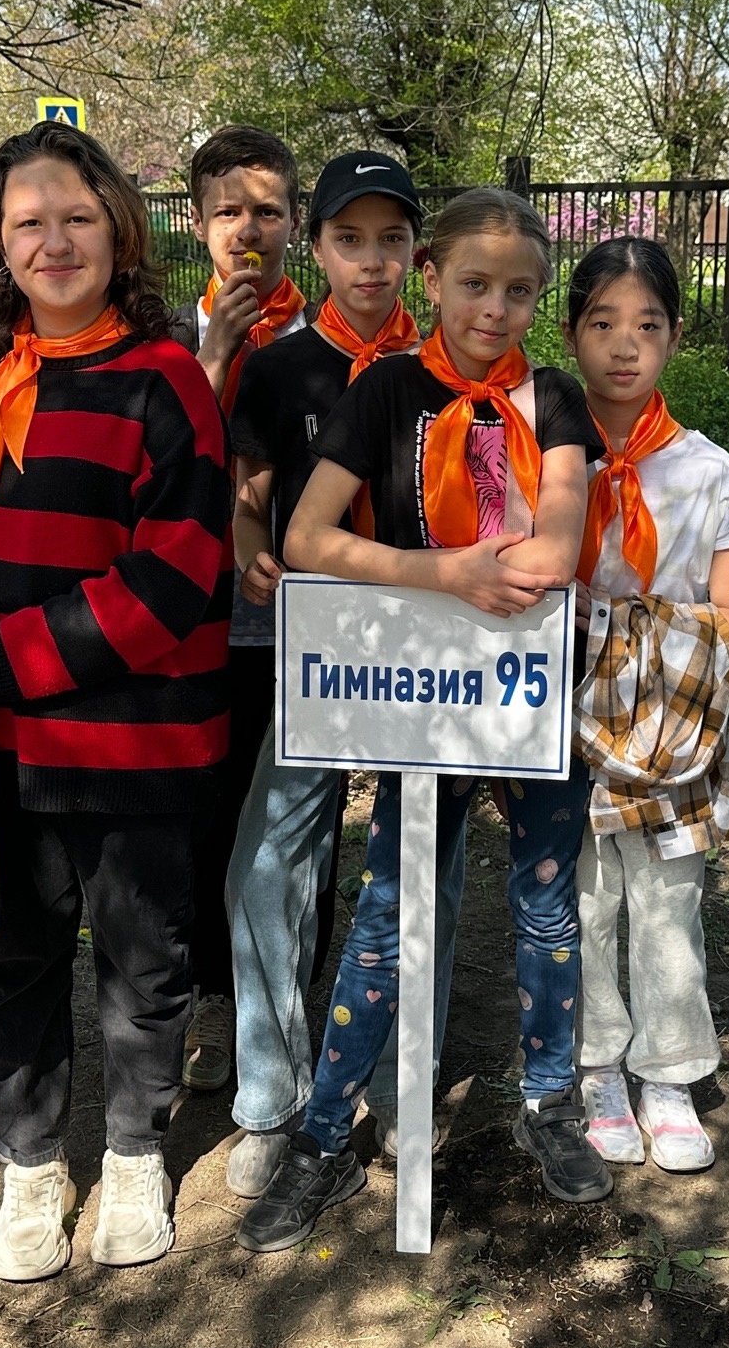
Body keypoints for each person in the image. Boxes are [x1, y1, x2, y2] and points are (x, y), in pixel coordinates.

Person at [0, 121, 232, 1283]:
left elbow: (173, 582)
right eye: (30, 222)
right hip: (1, 750)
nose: (54, 241)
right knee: (14, 961)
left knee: (141, 963)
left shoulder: (165, 381)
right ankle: (31, 1167)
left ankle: (132, 1153)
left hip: (135, 746)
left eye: (77, 218)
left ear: (118, 232)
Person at [235, 187, 606, 1253]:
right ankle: (322, 1137)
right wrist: (442, 574)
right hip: (417, 697)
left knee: (545, 906)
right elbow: (307, 536)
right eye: (475, 284)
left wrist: (499, 570)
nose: (494, 309)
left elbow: (559, 541)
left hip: (527, 690)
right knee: (390, 906)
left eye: (520, 292)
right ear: (432, 278)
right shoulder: (387, 388)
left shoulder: (553, 399)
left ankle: (549, 1103)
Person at [220, 150, 423, 1198]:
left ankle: (391, 1078)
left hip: (426, 657)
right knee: (267, 865)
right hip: (316, 651)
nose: (372, 260)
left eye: (392, 240)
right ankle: (271, 1097)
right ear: (318, 247)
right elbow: (252, 493)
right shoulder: (279, 367)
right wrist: (253, 549)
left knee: (415, 863)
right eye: (351, 239)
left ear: (417, 252)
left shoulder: (450, 367)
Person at [563, 239, 729, 1172]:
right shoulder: (540, 459)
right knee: (583, 896)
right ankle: (597, 1063)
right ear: (572, 334)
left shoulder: (707, 471)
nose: (624, 345)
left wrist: (626, 632)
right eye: (603, 322)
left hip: (675, 724)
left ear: (676, 337)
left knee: (670, 902)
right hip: (565, 718)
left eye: (647, 325)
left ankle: (671, 1072)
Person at [178, 125, 310, 1093]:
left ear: (295, 224)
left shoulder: (332, 339)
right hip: (192, 623)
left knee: (293, 830)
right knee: (207, 820)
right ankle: (217, 999)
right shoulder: (162, 341)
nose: (248, 231)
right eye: (229, 211)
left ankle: (295, 997)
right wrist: (216, 353)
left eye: (267, 211)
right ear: (198, 225)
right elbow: (167, 464)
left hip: (297, 621)